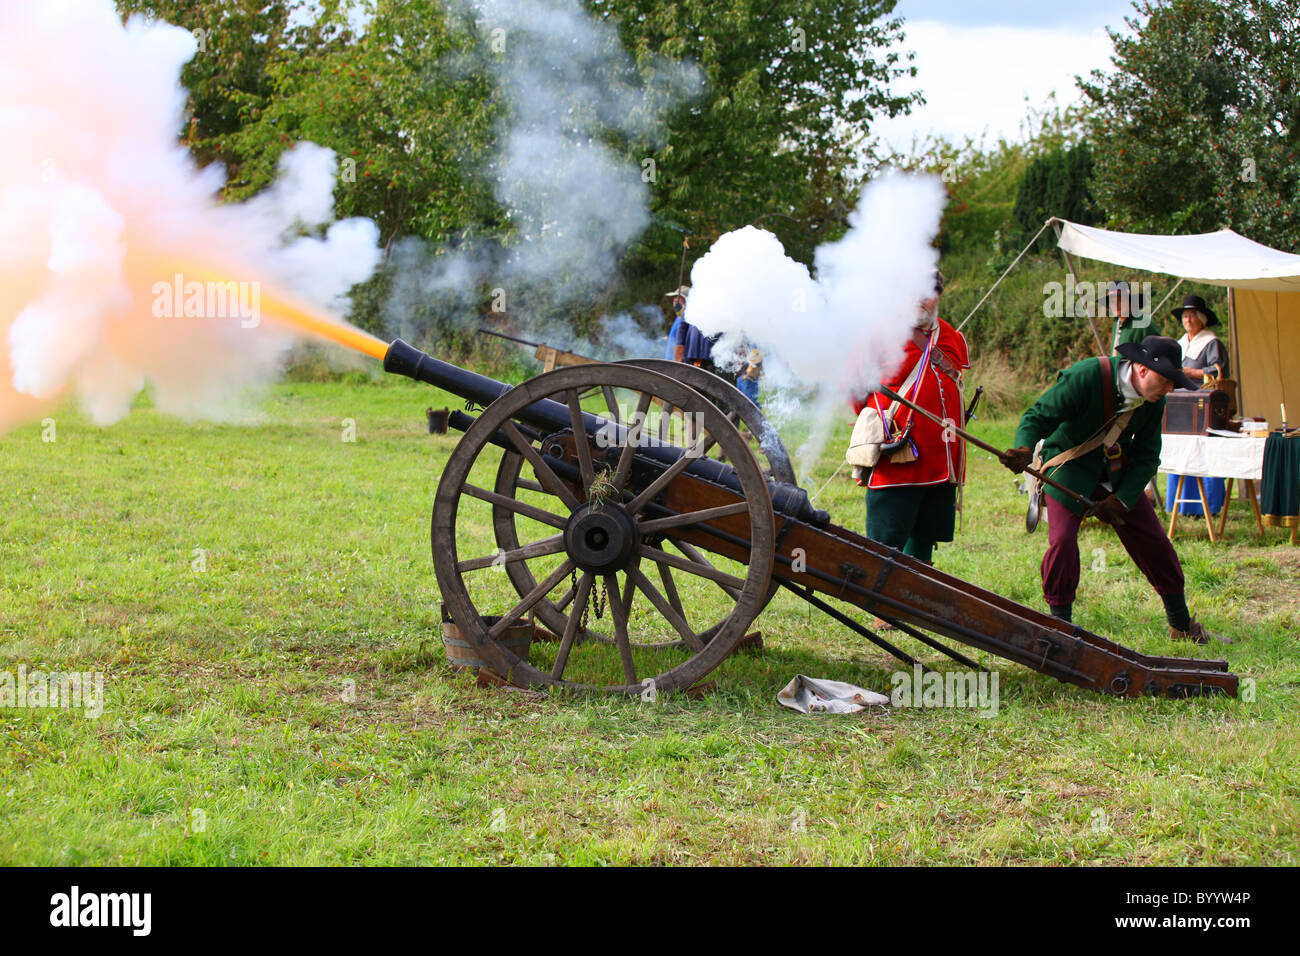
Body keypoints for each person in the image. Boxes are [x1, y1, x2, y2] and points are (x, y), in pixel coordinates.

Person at [997, 336, 1221, 643]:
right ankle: (1060, 628)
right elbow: (1038, 416)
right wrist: (1023, 449)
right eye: (1166, 381)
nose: (1170, 389)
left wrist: (1123, 499)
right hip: (1069, 467)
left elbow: (1146, 457)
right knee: (1062, 541)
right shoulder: (1086, 376)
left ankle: (1181, 626)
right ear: (1142, 370)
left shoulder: (1155, 401)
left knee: (1154, 540)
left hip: (1118, 472)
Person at [853, 271, 969, 564]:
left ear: (939, 295)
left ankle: (916, 606)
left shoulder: (952, 337)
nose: (919, 299)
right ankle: (884, 609)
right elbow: (853, 388)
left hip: (941, 461)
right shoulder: (880, 335)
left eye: (927, 292)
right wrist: (881, 423)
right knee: (885, 545)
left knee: (923, 542)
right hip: (897, 458)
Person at [1166, 293, 1230, 515]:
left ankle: (1209, 505)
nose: (1188, 320)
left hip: (1203, 407)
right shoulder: (1180, 344)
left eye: (1192, 316)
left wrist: (1192, 372)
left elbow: (1219, 370)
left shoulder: (1211, 342)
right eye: (1185, 316)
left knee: (1204, 453)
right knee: (1181, 452)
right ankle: (1183, 505)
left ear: (1202, 319)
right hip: (1180, 406)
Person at [1108, 279, 1151, 351]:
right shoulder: (1117, 324)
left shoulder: (1143, 324)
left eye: (1120, 300)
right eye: (1112, 301)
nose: (1115, 305)